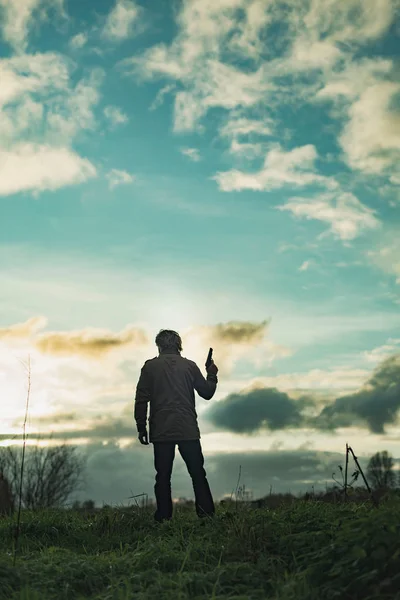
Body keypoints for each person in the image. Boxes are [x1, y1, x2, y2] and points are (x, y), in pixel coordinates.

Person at [134, 329, 218, 523]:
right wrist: (211, 375)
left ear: (159, 345)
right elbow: (207, 393)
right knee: (198, 474)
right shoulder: (190, 366)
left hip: (161, 430)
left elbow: (141, 399)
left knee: (163, 476)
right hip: (187, 428)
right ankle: (206, 516)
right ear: (179, 344)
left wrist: (141, 426)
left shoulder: (150, 367)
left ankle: (164, 518)